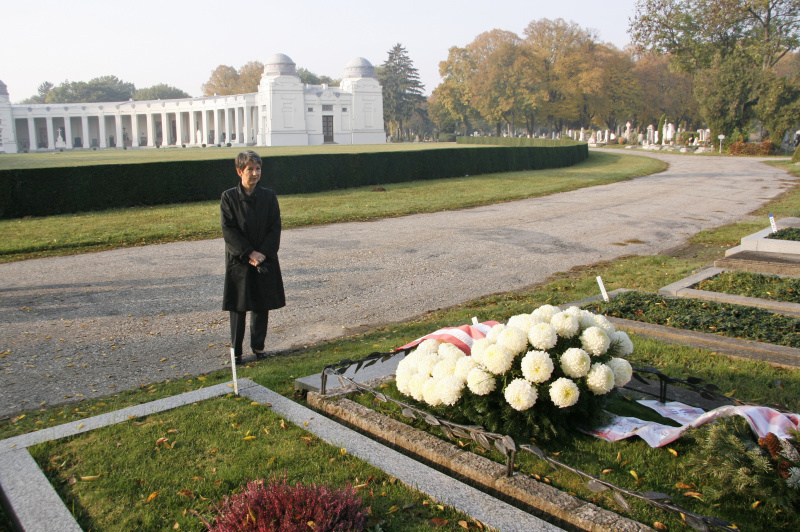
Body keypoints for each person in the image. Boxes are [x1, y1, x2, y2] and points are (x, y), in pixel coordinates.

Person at [221, 150, 286, 363]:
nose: (255, 173)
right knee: (238, 308)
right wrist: (249, 252)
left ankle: (258, 348)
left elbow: (274, 227)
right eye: (250, 169)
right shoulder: (229, 197)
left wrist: (263, 254)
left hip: (263, 259)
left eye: (258, 169)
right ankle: (236, 353)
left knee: (261, 304)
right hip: (240, 260)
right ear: (240, 171)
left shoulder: (269, 196)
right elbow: (229, 230)